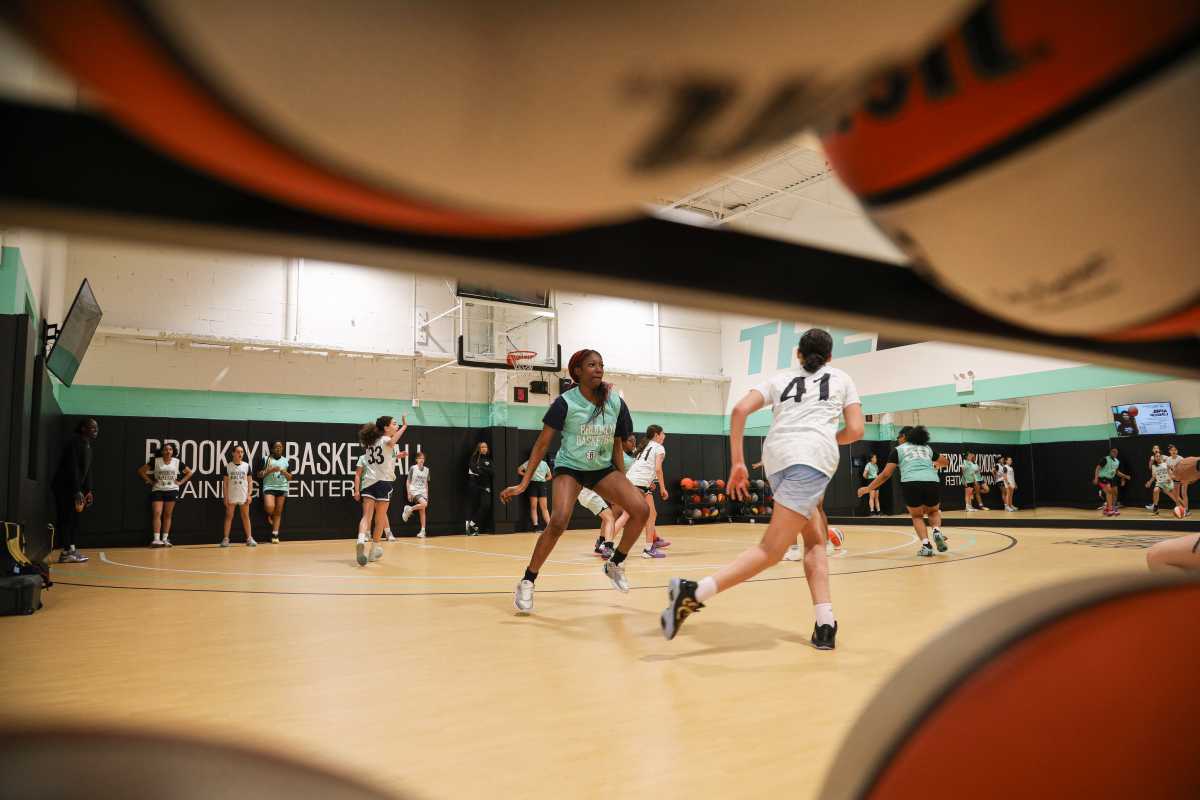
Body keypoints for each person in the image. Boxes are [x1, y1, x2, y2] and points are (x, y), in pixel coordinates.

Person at [660, 329, 864, 650]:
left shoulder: (780, 379)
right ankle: (693, 593)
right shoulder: (841, 378)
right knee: (772, 551)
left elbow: (739, 410)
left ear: (798, 353)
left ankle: (825, 623)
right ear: (830, 356)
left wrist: (738, 463)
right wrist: (826, 437)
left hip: (777, 459)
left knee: (814, 539)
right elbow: (855, 430)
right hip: (811, 462)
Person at [501, 348, 646, 613]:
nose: (599, 368)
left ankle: (615, 563)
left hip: (601, 468)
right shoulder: (565, 402)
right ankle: (527, 580)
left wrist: (622, 482)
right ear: (577, 371)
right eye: (592, 365)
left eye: (601, 364)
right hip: (571, 467)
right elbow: (542, 444)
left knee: (641, 509)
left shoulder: (615, 402)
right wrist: (523, 484)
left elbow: (617, 442)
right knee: (558, 520)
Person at [859, 426, 950, 557]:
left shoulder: (898, 450)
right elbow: (945, 462)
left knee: (917, 516)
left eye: (898, 437)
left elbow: (885, 475)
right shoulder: (926, 448)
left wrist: (868, 488)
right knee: (933, 511)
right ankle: (936, 530)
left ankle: (926, 546)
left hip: (911, 482)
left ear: (903, 437)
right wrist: (934, 465)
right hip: (931, 481)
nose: (897, 440)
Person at [353, 415, 408, 565]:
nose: (396, 426)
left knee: (366, 516)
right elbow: (391, 442)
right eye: (394, 424)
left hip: (369, 483)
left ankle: (360, 539)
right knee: (380, 519)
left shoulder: (371, 443)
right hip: (383, 483)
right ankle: (373, 550)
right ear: (386, 428)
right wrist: (404, 427)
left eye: (397, 425)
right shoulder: (385, 440)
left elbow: (384, 456)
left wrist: (397, 456)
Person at [51, 417, 98, 563]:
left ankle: (71, 549)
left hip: (75, 488)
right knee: (66, 519)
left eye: (97, 428)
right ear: (83, 428)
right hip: (64, 487)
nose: (96, 430)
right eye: (92, 427)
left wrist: (87, 490)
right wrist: (77, 490)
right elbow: (72, 468)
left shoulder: (87, 445)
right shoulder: (74, 442)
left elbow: (87, 470)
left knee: (74, 520)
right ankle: (65, 553)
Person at [1146, 457, 1200, 572]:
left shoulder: (1169, 465)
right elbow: (1156, 475)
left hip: (1170, 482)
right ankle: (1156, 506)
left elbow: (1175, 474)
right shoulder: (1157, 466)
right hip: (1164, 483)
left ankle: (1184, 509)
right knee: (1161, 491)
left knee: (1155, 556)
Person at [626, 424, 670, 557]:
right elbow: (657, 469)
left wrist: (650, 482)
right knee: (626, 516)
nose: (665, 436)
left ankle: (649, 547)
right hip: (638, 483)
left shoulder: (646, 445)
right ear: (657, 435)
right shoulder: (659, 447)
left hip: (633, 480)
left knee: (651, 514)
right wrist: (663, 488)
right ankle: (608, 545)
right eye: (663, 433)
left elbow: (641, 466)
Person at [137, 442, 193, 547]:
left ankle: (165, 539)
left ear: (173, 451)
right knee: (157, 513)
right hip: (158, 490)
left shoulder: (177, 462)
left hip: (172, 490)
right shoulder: (156, 461)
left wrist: (180, 482)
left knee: (168, 515)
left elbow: (189, 472)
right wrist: (150, 481)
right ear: (162, 451)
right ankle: (156, 539)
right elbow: (141, 471)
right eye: (166, 449)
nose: (168, 451)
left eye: (170, 449)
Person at [220, 445, 256, 546]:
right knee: (228, 516)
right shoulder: (228, 467)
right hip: (231, 496)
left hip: (243, 496)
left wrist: (249, 495)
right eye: (238, 452)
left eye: (242, 452)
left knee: (245, 516)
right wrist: (225, 497)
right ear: (233, 453)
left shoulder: (246, 466)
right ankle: (226, 539)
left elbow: (250, 482)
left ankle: (249, 538)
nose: (240, 454)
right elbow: (225, 484)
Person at [258, 441, 294, 543]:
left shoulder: (286, 461)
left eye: (280, 447)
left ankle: (275, 534)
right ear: (272, 449)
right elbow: (259, 475)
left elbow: (290, 477)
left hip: (282, 488)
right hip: (269, 487)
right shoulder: (266, 459)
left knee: (278, 512)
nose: (278, 448)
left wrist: (284, 472)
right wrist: (270, 470)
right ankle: (269, 515)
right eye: (276, 447)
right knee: (270, 508)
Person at [1143, 452, 1186, 517]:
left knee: (1176, 498)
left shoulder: (1166, 464)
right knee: (1155, 490)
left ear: (1161, 457)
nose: (1158, 457)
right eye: (1156, 456)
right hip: (1160, 483)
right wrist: (1149, 482)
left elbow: (1173, 474)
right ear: (1154, 458)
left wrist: (1170, 478)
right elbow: (1154, 476)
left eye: (1159, 456)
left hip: (1168, 483)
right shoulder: (1154, 466)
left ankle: (1185, 509)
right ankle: (1155, 508)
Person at [517, 452, 551, 532]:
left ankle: (550, 526)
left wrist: (543, 479)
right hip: (532, 484)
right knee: (533, 506)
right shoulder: (529, 462)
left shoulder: (544, 464)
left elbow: (550, 476)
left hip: (542, 485)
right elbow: (519, 470)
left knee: (544, 507)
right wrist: (527, 476)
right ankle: (536, 526)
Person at [465, 442, 494, 535]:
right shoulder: (474, 458)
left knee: (486, 505)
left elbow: (492, 472)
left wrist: (482, 468)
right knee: (474, 505)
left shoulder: (489, 460)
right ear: (479, 448)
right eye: (482, 447)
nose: (484, 448)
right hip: (475, 485)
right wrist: (484, 469)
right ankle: (470, 528)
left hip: (486, 487)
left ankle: (473, 524)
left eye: (486, 446)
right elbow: (474, 469)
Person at [1094, 447, 1130, 517]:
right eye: (1113, 451)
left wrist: (1125, 476)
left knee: (1114, 493)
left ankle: (1108, 508)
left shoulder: (1117, 461)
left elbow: (1117, 472)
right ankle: (1110, 510)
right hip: (1102, 478)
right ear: (1110, 452)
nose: (1114, 453)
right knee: (1109, 492)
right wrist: (1096, 478)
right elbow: (1097, 468)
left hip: (1110, 479)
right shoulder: (1105, 459)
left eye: (1116, 452)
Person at [402, 450, 430, 538]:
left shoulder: (427, 470)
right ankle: (409, 509)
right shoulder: (413, 468)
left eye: (423, 458)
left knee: (423, 510)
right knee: (424, 504)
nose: (421, 460)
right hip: (414, 490)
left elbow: (426, 483)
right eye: (419, 458)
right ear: (416, 460)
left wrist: (427, 494)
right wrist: (408, 493)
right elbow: (408, 481)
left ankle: (422, 531)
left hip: (423, 492)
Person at [1166, 444, 1190, 516]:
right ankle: (1180, 510)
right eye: (1172, 450)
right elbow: (1167, 469)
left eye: (1175, 450)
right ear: (1169, 451)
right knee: (1176, 495)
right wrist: (1170, 476)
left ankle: (1186, 510)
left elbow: (1185, 469)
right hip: (1176, 478)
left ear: (1177, 451)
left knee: (1183, 493)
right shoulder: (1168, 459)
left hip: (1184, 477)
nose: (1174, 451)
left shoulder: (1180, 459)